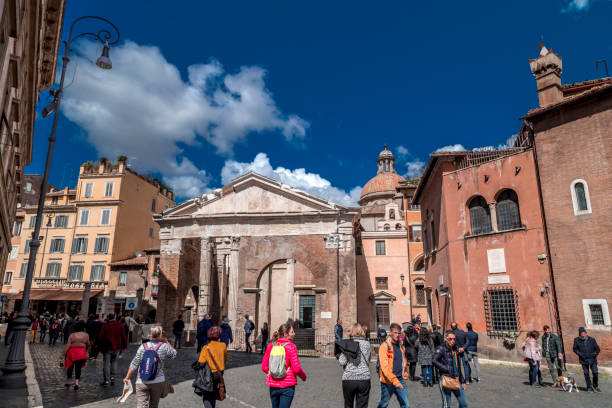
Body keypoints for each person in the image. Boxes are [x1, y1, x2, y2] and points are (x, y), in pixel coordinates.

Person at [123, 325, 177, 408]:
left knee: (141, 406)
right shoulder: (164, 346)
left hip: (141, 381)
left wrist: (127, 377)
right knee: (154, 405)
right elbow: (173, 354)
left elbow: (134, 363)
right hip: (157, 381)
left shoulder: (142, 347)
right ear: (159, 335)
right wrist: (167, 342)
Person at [262, 322, 307, 408]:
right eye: (292, 332)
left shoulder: (271, 346)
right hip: (287, 385)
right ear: (286, 334)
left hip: (273, 384)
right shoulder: (291, 347)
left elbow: (264, 367)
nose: (294, 333)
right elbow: (296, 369)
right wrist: (303, 376)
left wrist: (273, 373)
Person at [337, 323, 370, 408]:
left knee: (348, 405)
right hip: (364, 378)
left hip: (349, 378)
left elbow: (342, 362)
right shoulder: (367, 344)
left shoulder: (347, 344)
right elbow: (368, 360)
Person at [377, 322, 409, 408]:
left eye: (399, 333)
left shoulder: (401, 346)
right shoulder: (384, 346)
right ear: (390, 333)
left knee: (406, 404)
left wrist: (405, 376)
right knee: (384, 403)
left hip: (400, 379)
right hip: (388, 381)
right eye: (395, 332)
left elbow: (403, 362)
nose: (397, 335)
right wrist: (395, 381)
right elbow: (385, 367)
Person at [433, 331, 468, 408]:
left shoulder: (455, 349)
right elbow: (434, 360)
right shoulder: (441, 348)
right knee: (446, 405)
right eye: (450, 339)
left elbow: (458, 366)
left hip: (456, 379)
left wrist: (462, 381)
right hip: (445, 379)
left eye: (454, 339)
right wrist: (445, 368)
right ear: (445, 338)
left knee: (464, 403)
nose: (452, 341)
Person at [198, 326, 228, 408]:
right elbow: (225, 359)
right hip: (220, 373)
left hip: (209, 374)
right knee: (214, 394)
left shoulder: (206, 347)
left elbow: (201, 363)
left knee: (207, 397)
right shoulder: (223, 345)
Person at [99, 313, 127, 387]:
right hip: (117, 347)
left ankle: (106, 380)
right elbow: (124, 337)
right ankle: (112, 378)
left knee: (106, 363)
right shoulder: (120, 325)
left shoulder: (105, 325)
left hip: (107, 347)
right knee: (114, 362)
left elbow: (101, 337)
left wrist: (100, 346)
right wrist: (124, 347)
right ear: (115, 317)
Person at [573, 327, 601, 392]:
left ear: (586, 333)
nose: (583, 335)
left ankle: (595, 386)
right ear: (579, 334)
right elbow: (575, 349)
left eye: (584, 334)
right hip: (583, 359)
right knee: (586, 373)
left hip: (592, 359)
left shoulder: (592, 339)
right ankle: (589, 387)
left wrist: (594, 354)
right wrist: (580, 354)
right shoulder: (576, 340)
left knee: (595, 372)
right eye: (581, 334)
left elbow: (597, 349)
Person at [64, 321, 89, 390]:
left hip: (72, 353)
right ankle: (76, 383)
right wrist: (85, 350)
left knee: (70, 367)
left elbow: (68, 345)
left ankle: (68, 381)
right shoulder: (86, 335)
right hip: (81, 353)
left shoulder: (72, 335)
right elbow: (88, 344)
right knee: (78, 368)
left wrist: (62, 354)